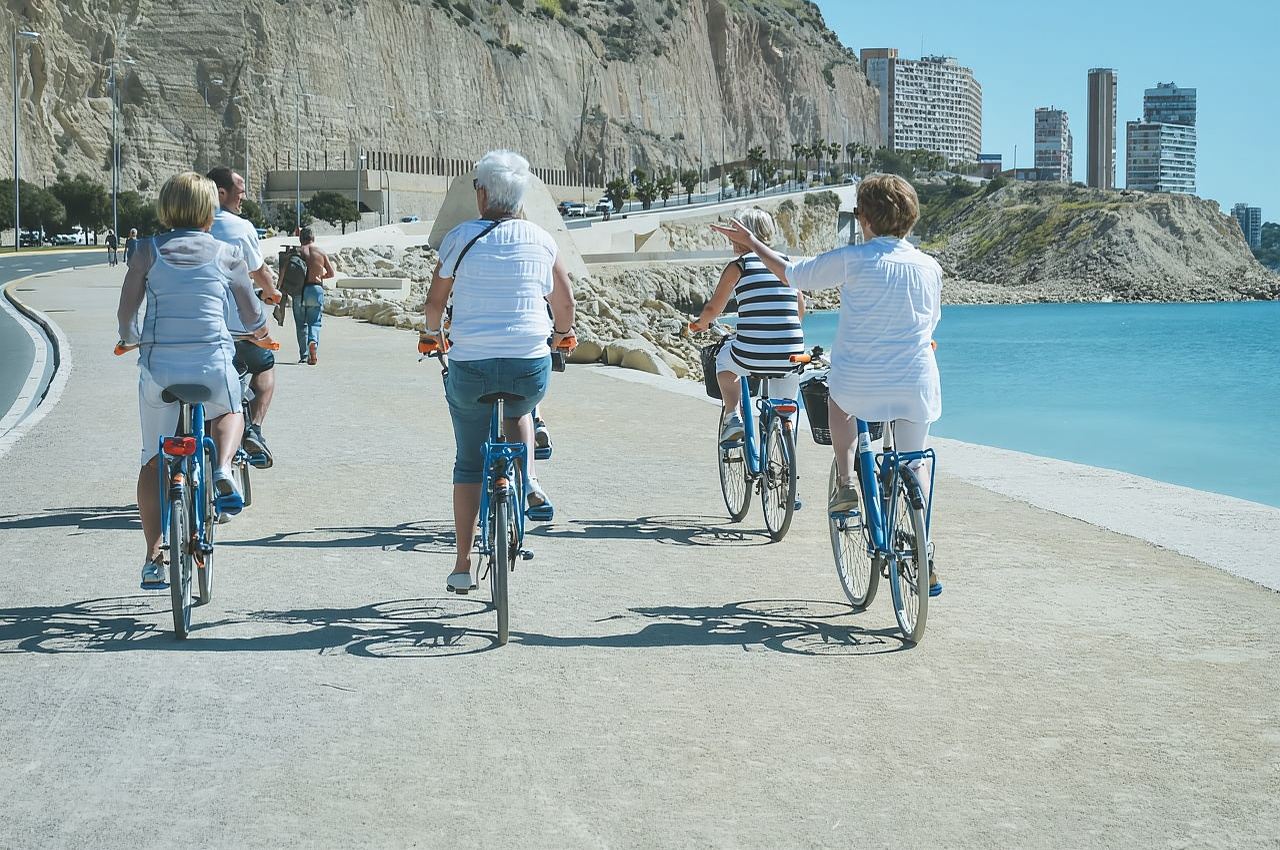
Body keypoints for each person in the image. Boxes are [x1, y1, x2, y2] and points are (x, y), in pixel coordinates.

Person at [711, 173, 942, 594]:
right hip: (916, 382)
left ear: (865, 218)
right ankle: (922, 545)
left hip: (859, 382)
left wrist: (752, 242)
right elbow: (929, 325)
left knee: (839, 405)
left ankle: (847, 484)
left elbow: (792, 274)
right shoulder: (929, 266)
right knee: (915, 460)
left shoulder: (854, 258)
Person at [421, 149, 576, 594]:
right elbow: (564, 304)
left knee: (469, 460)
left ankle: (462, 563)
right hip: (529, 363)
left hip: (470, 366)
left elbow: (435, 304)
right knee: (520, 410)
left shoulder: (458, 237)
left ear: (484, 193)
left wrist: (433, 335)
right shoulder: (542, 238)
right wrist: (563, 336)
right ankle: (527, 482)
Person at [115, 172, 279, 588]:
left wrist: (130, 339)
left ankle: (153, 556)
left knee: (153, 459)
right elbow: (250, 314)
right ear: (209, 208)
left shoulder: (147, 251)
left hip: (160, 368)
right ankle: (223, 467)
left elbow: (126, 313)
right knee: (230, 410)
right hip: (211, 363)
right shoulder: (226, 253)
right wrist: (262, 334)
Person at [690, 207, 805, 443]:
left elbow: (713, 309)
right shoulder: (785, 262)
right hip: (792, 354)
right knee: (788, 384)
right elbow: (800, 308)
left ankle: (733, 415)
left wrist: (699, 325)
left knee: (723, 359)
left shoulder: (739, 265)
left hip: (751, 353)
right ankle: (785, 437)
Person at [206, 166, 281, 466]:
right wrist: (273, 293)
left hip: (199, 330)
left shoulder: (191, 226)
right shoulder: (240, 227)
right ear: (221, 192)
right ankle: (255, 429)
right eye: (240, 188)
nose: (244, 194)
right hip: (238, 330)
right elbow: (258, 272)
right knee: (265, 366)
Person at [295, 226, 335, 364]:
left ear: (301, 239)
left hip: (300, 291)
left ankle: (304, 355)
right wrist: (320, 276)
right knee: (315, 322)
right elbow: (331, 273)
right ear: (313, 238)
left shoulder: (300, 251)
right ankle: (313, 341)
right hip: (316, 289)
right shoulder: (320, 252)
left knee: (301, 324)